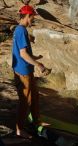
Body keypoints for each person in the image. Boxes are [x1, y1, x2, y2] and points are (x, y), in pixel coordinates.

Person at [12, 5, 49, 138]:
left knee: (34, 96)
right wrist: (38, 64)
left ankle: (36, 121)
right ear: (28, 16)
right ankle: (19, 129)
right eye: (33, 16)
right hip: (23, 72)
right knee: (25, 101)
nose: (33, 19)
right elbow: (22, 54)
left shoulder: (19, 29)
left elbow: (24, 52)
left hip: (26, 70)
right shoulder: (21, 30)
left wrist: (35, 58)